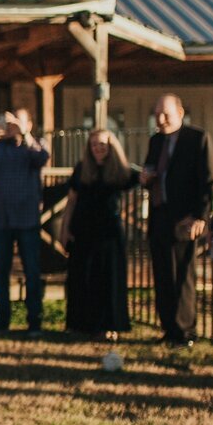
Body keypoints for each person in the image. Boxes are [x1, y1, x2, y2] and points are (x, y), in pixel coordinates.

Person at [140, 94, 213, 348]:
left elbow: (208, 182)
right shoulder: (155, 141)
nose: (160, 120)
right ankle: (169, 329)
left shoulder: (197, 139)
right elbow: (150, 171)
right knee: (162, 274)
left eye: (166, 114)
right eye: (157, 114)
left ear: (180, 113)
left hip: (185, 217)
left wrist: (201, 217)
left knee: (183, 275)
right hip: (159, 215)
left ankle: (185, 331)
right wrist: (146, 179)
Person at [59, 128, 138, 338]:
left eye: (102, 144)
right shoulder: (82, 169)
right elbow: (72, 201)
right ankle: (81, 325)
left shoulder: (121, 170)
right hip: (83, 231)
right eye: (94, 144)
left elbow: (143, 179)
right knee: (81, 279)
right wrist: (65, 228)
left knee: (108, 281)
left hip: (109, 233)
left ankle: (109, 325)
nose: (98, 149)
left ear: (111, 146)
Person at [0, 108, 49, 336]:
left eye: (17, 122)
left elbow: (42, 159)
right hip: (1, 217)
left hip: (27, 217)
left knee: (31, 269)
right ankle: (2, 320)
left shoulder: (37, 144)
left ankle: (34, 321)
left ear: (29, 123)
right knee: (0, 270)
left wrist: (25, 134)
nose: (12, 126)